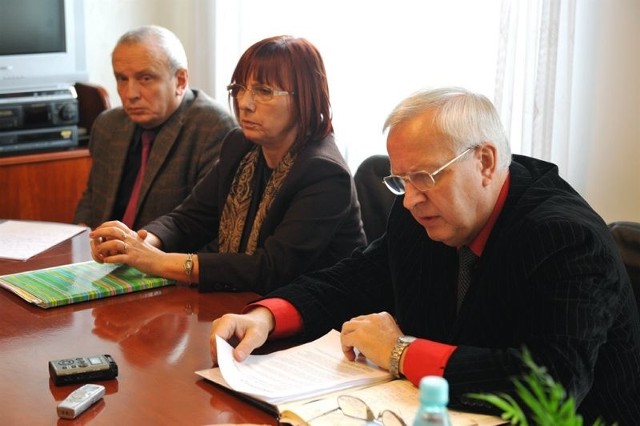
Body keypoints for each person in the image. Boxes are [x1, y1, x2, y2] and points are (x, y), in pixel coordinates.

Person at [209, 87, 640, 424]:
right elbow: (357, 277)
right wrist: (265, 316)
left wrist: (400, 351)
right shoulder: (422, 212)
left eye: (425, 177)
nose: (411, 199)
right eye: (400, 180)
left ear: (486, 162)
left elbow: (550, 383)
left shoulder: (565, 238)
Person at [88, 35, 366, 295]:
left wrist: (160, 262)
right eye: (239, 89)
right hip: (243, 302)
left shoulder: (325, 173)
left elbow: (270, 269)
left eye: (264, 91)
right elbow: (190, 218)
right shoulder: (241, 145)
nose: (244, 103)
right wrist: (140, 244)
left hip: (319, 321)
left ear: (304, 98)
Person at [74, 25, 236, 229]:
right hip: (102, 255)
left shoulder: (213, 128)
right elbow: (92, 199)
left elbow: (206, 226)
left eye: (145, 78)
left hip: (163, 257)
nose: (130, 93)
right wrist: (80, 238)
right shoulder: (108, 125)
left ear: (180, 81)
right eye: (122, 79)